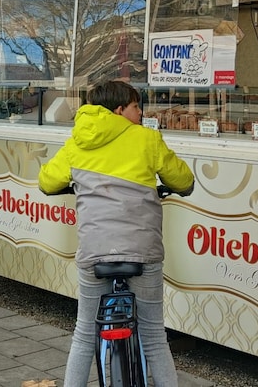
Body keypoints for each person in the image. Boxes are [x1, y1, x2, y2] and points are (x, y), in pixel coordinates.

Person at [39, 81, 195, 387]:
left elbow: (46, 182)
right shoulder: (146, 139)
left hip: (94, 252)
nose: (141, 113)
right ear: (120, 110)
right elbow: (183, 180)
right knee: (154, 336)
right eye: (136, 107)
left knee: (85, 333)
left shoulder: (77, 142)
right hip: (143, 251)